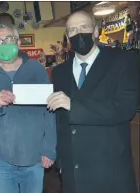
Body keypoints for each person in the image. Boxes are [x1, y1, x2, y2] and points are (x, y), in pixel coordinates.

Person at [47, 11, 140, 193]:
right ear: (67, 37)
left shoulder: (123, 61)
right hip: (73, 171)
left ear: (96, 31)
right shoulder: (59, 72)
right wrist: (61, 159)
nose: (78, 33)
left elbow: (124, 108)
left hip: (109, 169)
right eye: (72, 29)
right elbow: (59, 121)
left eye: (84, 27)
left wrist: (74, 105)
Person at [0, 24, 56, 193]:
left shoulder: (36, 69)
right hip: (0, 158)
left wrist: (49, 149)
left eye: (8, 39)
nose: (4, 44)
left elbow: (49, 110)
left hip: (34, 155)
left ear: (19, 43)